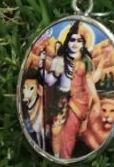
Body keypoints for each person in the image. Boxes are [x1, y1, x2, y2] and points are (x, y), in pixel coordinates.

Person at [40, 21, 101, 159]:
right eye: (72, 40)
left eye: (79, 41)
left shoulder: (86, 61)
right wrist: (42, 66)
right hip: (60, 98)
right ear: (67, 42)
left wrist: (96, 101)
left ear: (83, 44)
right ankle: (57, 156)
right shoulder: (60, 59)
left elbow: (89, 82)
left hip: (79, 100)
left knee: (70, 131)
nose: (75, 43)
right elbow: (50, 81)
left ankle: (66, 157)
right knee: (56, 130)